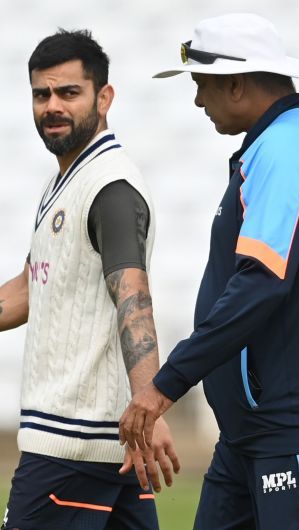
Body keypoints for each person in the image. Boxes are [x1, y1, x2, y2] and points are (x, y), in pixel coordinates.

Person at [117, 13, 299, 530]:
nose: (197, 100)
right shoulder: (273, 145)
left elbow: (261, 284)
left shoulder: (288, 146)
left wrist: (165, 385)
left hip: (287, 434)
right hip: (247, 438)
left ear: (234, 84)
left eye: (201, 85)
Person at [0, 29, 179, 529]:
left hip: (70, 447)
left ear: (104, 98)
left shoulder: (109, 186)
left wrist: (151, 403)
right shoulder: (63, 180)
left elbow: (133, 298)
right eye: (42, 94)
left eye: (68, 93)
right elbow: (29, 288)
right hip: (110, 444)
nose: (52, 106)